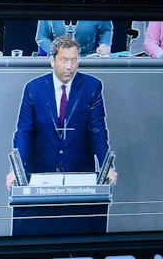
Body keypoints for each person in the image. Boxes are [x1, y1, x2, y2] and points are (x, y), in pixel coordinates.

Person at [8, 32, 111, 236]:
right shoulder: (33, 89)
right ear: (52, 60)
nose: (69, 66)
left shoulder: (92, 87)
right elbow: (24, 132)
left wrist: (107, 166)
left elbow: (98, 129)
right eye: (64, 60)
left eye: (74, 60)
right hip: (42, 169)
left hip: (78, 170)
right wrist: (16, 169)